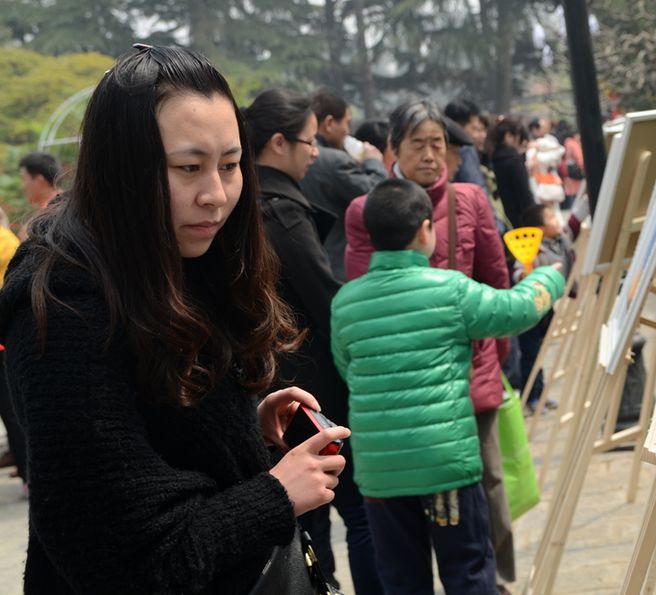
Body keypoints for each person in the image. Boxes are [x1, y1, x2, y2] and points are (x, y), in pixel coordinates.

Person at [0, 45, 350, 595]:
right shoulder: (64, 304)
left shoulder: (183, 255)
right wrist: (276, 495)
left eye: (231, 166)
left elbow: (159, 444)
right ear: (120, 168)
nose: (216, 195)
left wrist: (243, 436)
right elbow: (124, 560)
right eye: (189, 167)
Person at [331, 178, 565, 595]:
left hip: (382, 474)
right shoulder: (450, 290)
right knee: (468, 572)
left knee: (402, 580)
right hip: (446, 467)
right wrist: (548, 278)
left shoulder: (345, 302)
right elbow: (516, 311)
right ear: (425, 229)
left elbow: (348, 368)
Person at [344, 99, 520, 592]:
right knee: (408, 529)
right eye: (417, 144)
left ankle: (498, 583)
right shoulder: (368, 210)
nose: (429, 155)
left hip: (471, 375)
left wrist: (489, 358)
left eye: (437, 144)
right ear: (391, 149)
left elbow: (496, 279)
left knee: (484, 491)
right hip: (403, 384)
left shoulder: (468, 200)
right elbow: (369, 294)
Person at [242, 87, 383, 594]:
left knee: (309, 521)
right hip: (307, 391)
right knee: (352, 515)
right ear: (278, 143)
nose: (316, 151)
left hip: (272, 386)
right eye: (308, 141)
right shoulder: (280, 211)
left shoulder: (250, 203)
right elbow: (326, 300)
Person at [298, 88, 388, 282]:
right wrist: (374, 161)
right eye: (347, 123)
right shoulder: (335, 161)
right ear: (329, 123)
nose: (348, 131)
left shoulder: (297, 157)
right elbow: (378, 195)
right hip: (335, 265)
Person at [514, 203, 575, 414]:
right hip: (530, 308)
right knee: (530, 354)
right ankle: (529, 396)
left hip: (548, 308)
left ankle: (539, 393)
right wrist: (523, 275)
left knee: (540, 352)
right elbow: (518, 271)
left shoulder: (562, 241)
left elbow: (576, 225)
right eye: (551, 218)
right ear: (539, 229)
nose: (557, 220)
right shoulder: (531, 249)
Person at [0, 205, 24, 490]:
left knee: (12, 411)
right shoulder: (9, 240)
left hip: (5, 342)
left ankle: (27, 471)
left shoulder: (5, 242)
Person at [491, 116, 534, 229]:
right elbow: (525, 196)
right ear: (508, 136)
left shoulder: (492, 158)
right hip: (520, 222)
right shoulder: (513, 161)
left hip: (503, 220)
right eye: (518, 137)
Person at [444, 97, 488, 194]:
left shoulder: (444, 143)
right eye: (475, 129)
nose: (478, 135)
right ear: (459, 126)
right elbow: (477, 188)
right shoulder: (465, 148)